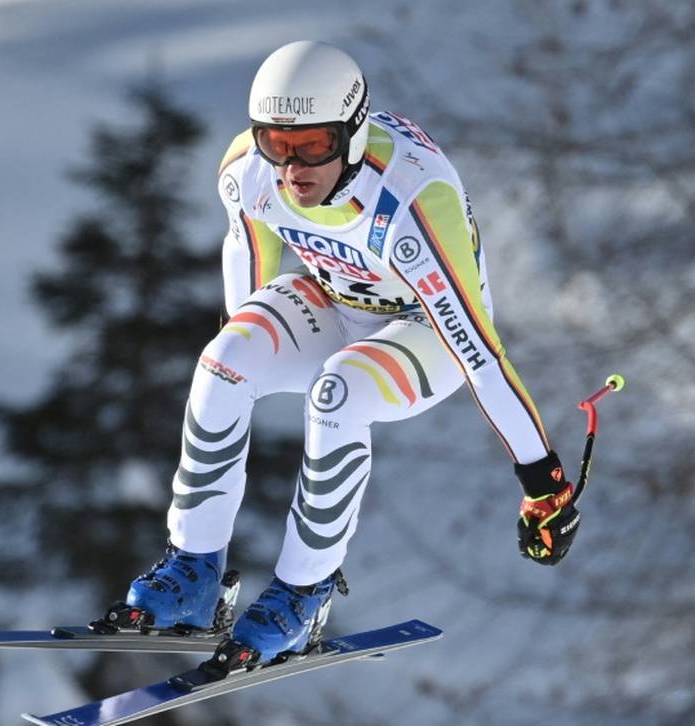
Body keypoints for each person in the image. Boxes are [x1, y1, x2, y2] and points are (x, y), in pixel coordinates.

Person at [121, 40, 579, 663]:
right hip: (333, 302)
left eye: (312, 145)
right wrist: (242, 368)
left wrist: (542, 480)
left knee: (337, 392)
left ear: (353, 135)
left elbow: (479, 352)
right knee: (220, 362)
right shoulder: (246, 171)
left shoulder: (415, 200)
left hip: (427, 329)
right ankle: (194, 570)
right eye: (275, 143)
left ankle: (302, 592)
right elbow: (248, 264)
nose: (291, 168)